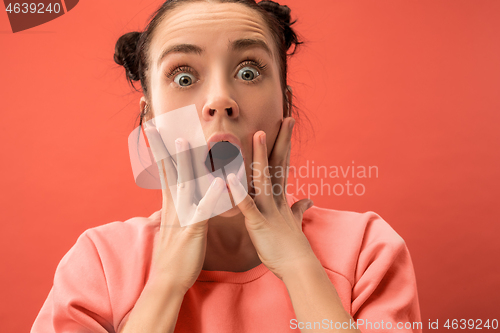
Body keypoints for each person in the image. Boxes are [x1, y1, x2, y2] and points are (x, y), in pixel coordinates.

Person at [31, 0, 422, 332]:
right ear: (150, 121)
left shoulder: (367, 250)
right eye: (183, 77)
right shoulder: (98, 264)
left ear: (284, 105)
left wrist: (299, 266)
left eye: (248, 72)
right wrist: (165, 283)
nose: (220, 99)